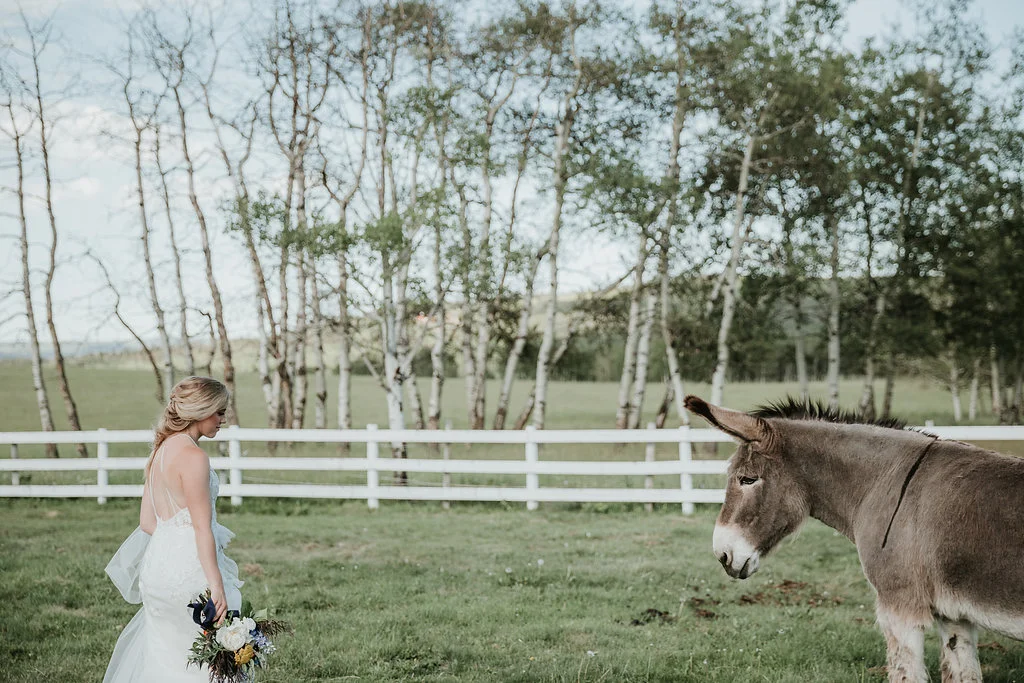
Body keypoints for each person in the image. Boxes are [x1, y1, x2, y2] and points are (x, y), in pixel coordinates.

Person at [104, 376, 243, 683]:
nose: (223, 419)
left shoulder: (161, 450)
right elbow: (202, 528)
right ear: (200, 410)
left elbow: (147, 522)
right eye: (219, 412)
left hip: (157, 572)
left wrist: (172, 543)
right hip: (191, 572)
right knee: (204, 664)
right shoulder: (194, 457)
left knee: (167, 658)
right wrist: (216, 585)